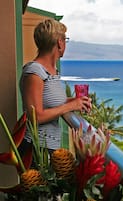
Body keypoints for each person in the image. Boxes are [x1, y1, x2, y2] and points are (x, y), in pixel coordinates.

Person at [19, 19, 91, 151]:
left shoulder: (52, 72)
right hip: (36, 150)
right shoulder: (34, 72)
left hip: (48, 147)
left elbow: (47, 102)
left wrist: (76, 101)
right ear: (59, 42)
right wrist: (70, 105)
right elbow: (36, 117)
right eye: (65, 40)